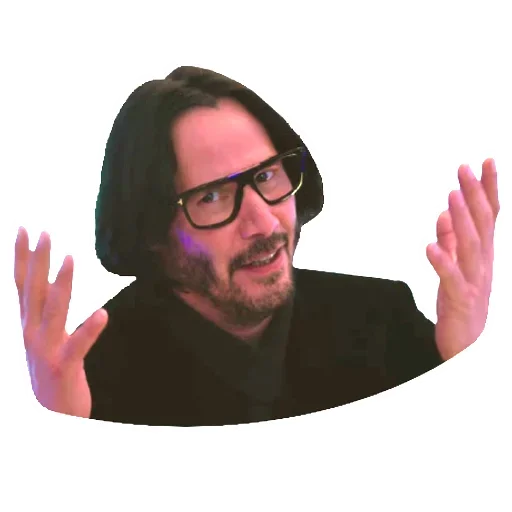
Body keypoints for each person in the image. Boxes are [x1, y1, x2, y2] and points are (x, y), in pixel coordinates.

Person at [14, 67, 501, 426]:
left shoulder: (381, 318)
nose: (264, 221)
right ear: (151, 231)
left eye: (267, 176)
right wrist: (63, 424)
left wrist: (464, 355)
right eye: (212, 196)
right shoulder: (90, 380)